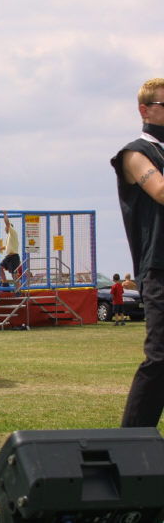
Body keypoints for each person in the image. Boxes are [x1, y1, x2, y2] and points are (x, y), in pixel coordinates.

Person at [110, 77, 164, 429]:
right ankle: (131, 441)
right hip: (159, 270)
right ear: (145, 110)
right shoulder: (135, 153)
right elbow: (160, 191)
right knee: (160, 358)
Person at [0, 210, 21, 289]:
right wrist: (0, 248)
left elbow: (7, 223)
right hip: (8, 257)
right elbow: (7, 246)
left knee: (13, 274)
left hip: (14, 256)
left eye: (5, 228)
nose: (5, 229)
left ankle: (18, 290)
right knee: (0, 267)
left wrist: (5, 214)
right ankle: (5, 283)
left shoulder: (12, 232)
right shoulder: (9, 236)